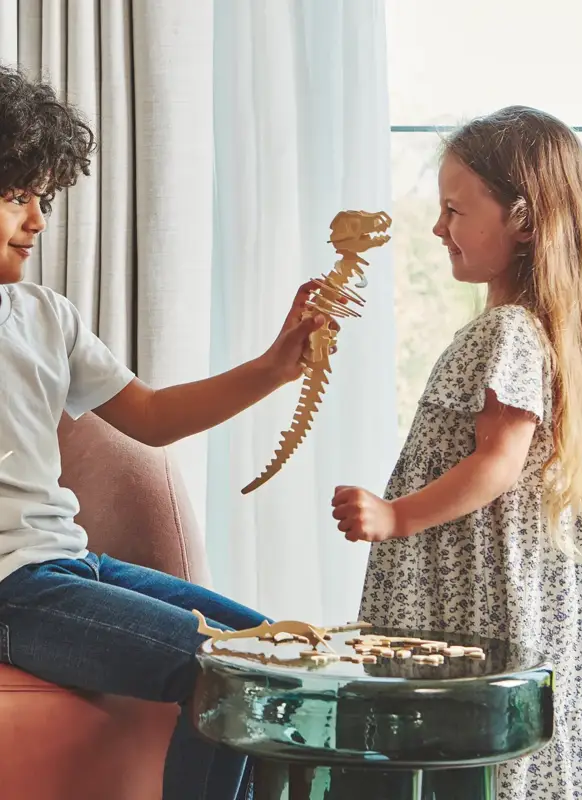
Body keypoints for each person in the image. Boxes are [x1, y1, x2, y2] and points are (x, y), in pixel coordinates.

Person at [0, 63, 328, 799]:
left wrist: (273, 368)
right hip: (10, 591)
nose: (37, 221)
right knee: (227, 670)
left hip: (72, 565)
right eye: (16, 196)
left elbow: (150, 417)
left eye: (42, 198)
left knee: (280, 651)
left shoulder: (46, 317)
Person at [331, 105, 582, 799]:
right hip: (508, 585)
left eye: (453, 210)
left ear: (523, 219)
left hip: (476, 596)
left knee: (458, 749)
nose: (439, 228)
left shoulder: (507, 330)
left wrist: (396, 516)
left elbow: (497, 463)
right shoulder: (540, 331)